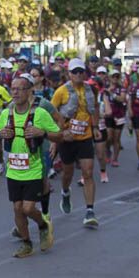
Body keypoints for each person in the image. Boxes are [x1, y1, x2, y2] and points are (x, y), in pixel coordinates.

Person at [0, 75, 62, 258]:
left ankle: (42, 224)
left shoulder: (40, 114)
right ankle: (26, 243)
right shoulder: (6, 113)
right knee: (17, 208)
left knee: (27, 208)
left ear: (28, 91)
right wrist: (1, 134)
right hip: (13, 170)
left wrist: (43, 133)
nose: (15, 93)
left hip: (33, 169)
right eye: (12, 89)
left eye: (19, 89)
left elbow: (59, 135)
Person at [52, 59, 102, 228]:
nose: (79, 74)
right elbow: (51, 112)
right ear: (69, 74)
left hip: (85, 137)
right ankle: (65, 192)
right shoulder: (61, 91)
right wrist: (59, 132)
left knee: (88, 172)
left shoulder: (90, 89)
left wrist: (95, 127)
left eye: (81, 71)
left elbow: (94, 108)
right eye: (75, 72)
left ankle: (89, 211)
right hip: (67, 138)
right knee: (68, 173)